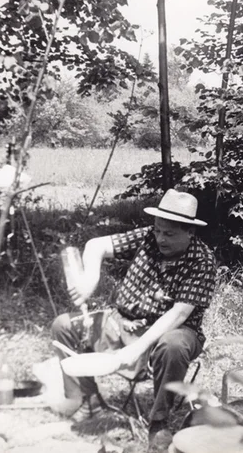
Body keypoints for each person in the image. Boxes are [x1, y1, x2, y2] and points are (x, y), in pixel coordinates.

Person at [51, 189, 216, 451]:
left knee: (173, 345)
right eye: (159, 230)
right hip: (121, 322)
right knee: (63, 325)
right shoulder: (149, 238)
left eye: (170, 234)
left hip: (172, 331)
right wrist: (88, 282)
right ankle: (89, 402)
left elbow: (179, 314)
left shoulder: (202, 261)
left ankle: (159, 423)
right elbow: (96, 246)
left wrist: (135, 349)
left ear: (190, 233)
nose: (160, 238)